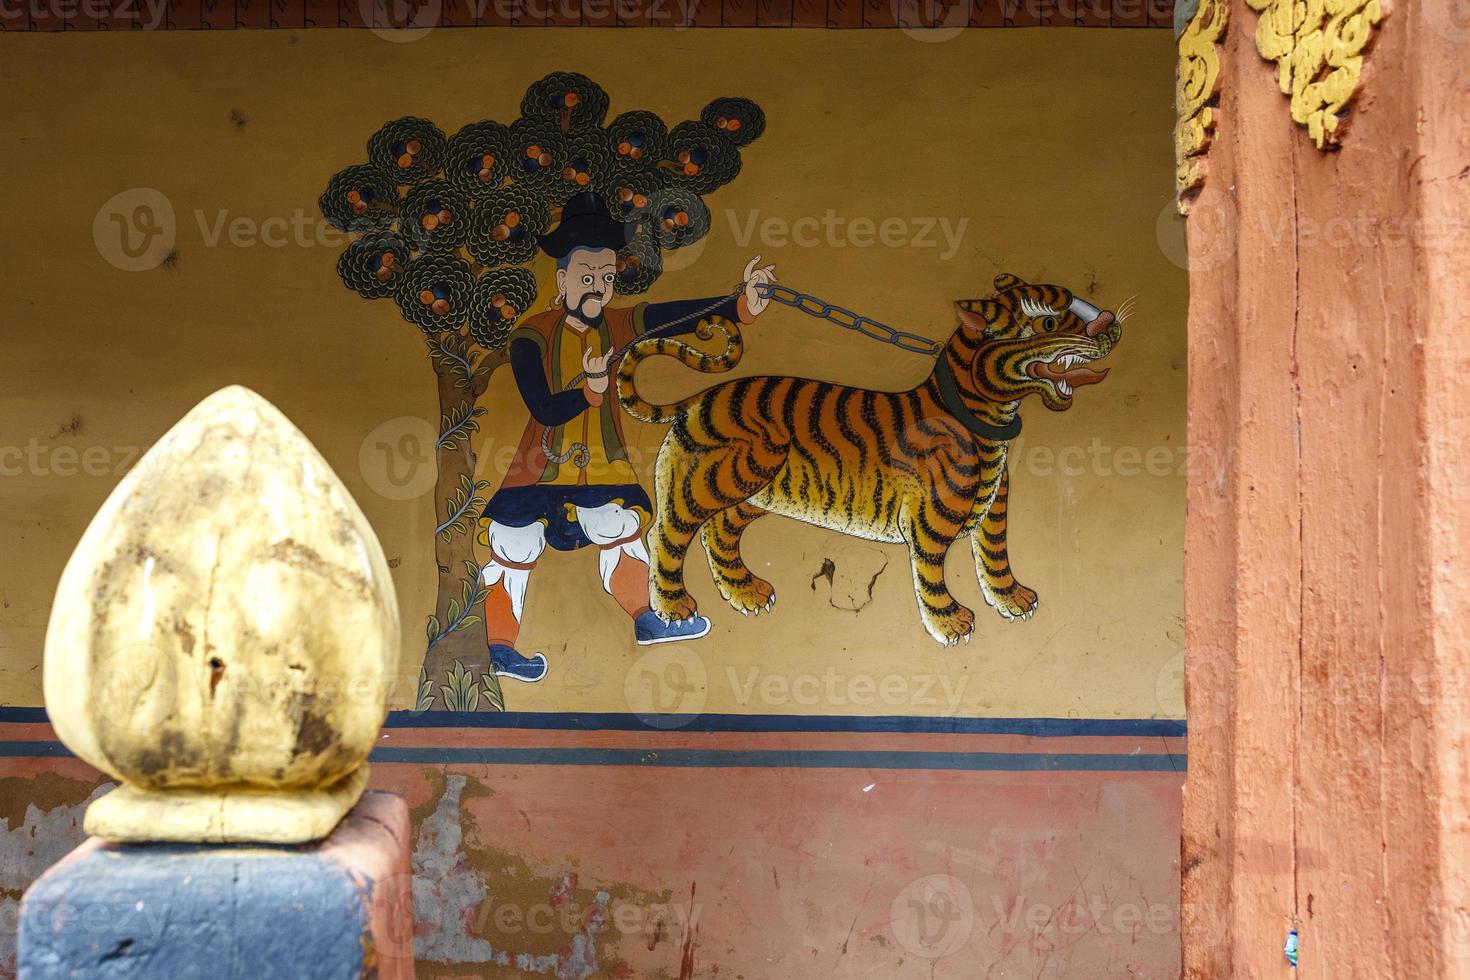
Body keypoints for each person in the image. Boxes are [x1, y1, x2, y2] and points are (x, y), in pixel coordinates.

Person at [477, 190, 777, 682]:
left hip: (601, 465)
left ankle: (648, 620)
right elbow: (542, 408)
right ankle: (500, 647)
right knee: (514, 546)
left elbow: (675, 315)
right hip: (538, 467)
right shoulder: (532, 334)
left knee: (621, 531)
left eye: (607, 278)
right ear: (563, 279)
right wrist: (589, 394)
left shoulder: (618, 324)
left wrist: (740, 302)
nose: (599, 287)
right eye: (588, 277)